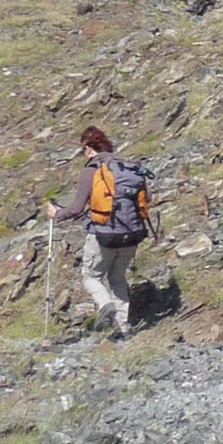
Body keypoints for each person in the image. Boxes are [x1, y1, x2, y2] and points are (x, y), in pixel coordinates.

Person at [47, 126, 158, 339]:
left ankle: (106, 306)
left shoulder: (91, 170)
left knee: (90, 276)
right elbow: (148, 198)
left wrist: (57, 213)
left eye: (83, 150)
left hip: (103, 235)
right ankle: (122, 329)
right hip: (133, 233)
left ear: (89, 149)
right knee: (118, 278)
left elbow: (76, 208)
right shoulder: (129, 167)